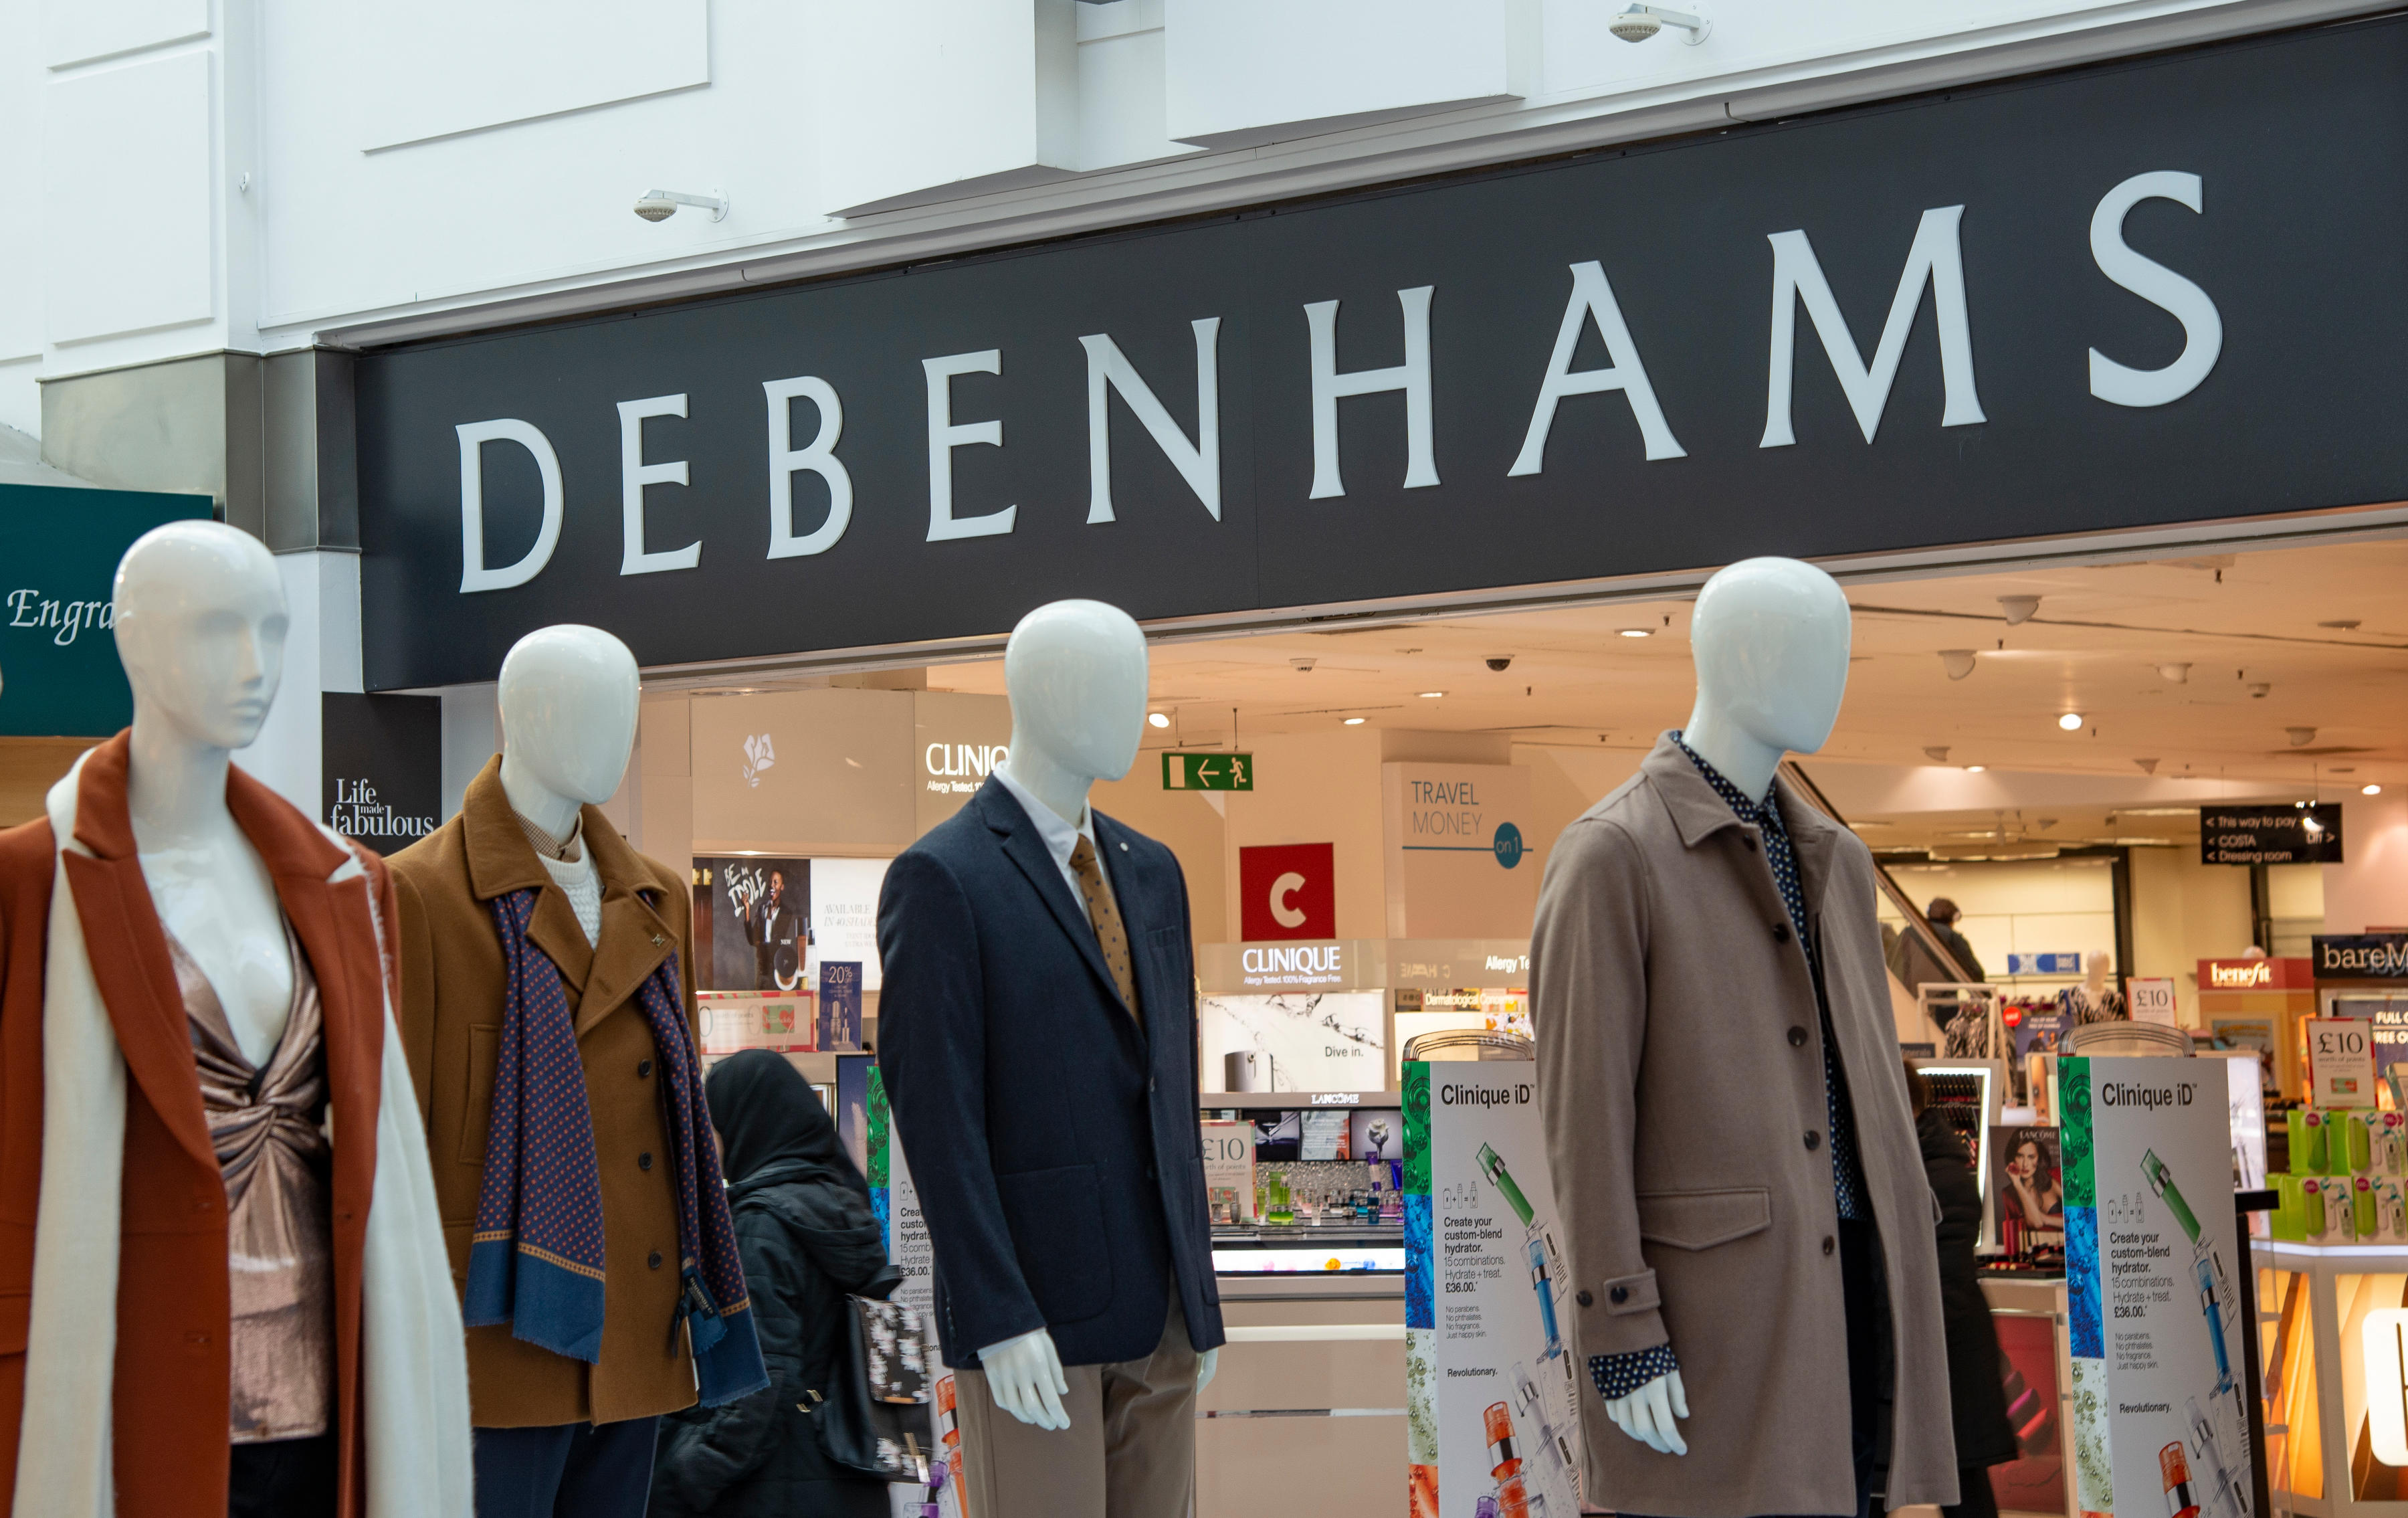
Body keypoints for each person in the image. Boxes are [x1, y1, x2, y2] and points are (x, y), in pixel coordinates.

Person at [651, 1050, 900, 1518]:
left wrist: (674, 1479)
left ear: (746, 1121)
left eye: (714, 1123)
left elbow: (757, 1395)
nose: (709, 1143)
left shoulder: (760, 1225)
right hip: (851, 1483)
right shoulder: (845, 1206)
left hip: (779, 1491)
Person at [1904, 1065, 2019, 1518]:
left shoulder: (1930, 1171)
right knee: (1962, 1477)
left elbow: (1933, 1271)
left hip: (1947, 1345)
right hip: (1954, 1340)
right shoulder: (1939, 1157)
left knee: (1962, 1478)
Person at [1999, 1130, 2064, 1232]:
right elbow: (2036, 1223)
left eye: (2031, 1157)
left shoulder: (2056, 1175)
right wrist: (2017, 1183)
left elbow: (2079, 1217)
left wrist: (2045, 1219)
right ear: (2013, 1158)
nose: (2025, 1164)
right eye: (2020, 1156)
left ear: (2038, 1158)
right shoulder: (2008, 1194)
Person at [1925, 898, 1987, 983]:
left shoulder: (1910, 932)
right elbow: (1976, 972)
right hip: (1943, 995)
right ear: (1954, 917)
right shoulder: (1953, 937)